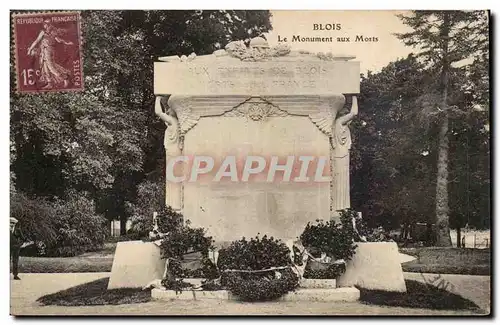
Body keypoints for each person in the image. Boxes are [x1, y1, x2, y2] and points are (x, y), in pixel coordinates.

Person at [27, 19, 73, 89]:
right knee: (45, 67)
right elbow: (37, 41)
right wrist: (30, 49)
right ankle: (50, 83)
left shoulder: (52, 32)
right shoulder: (43, 32)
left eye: (47, 24)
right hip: (44, 51)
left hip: (48, 50)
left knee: (51, 66)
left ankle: (65, 78)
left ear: (49, 25)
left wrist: (66, 42)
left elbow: (58, 40)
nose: (45, 26)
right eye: (45, 24)